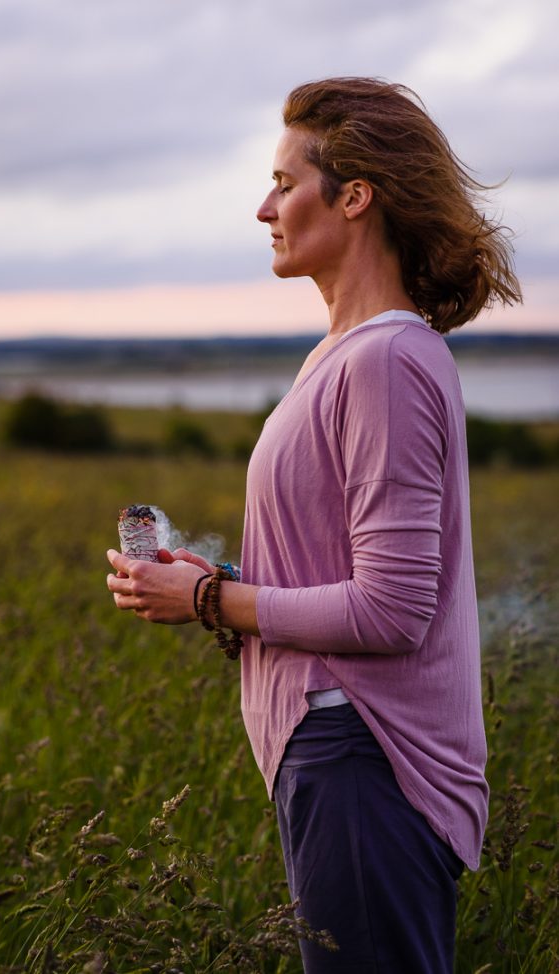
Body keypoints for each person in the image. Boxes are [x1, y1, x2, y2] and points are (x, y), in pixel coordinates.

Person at [107, 77, 522, 973]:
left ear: (356, 197)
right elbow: (332, 565)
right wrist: (202, 580)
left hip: (366, 756)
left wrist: (211, 595)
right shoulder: (342, 356)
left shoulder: (387, 362)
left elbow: (391, 610)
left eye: (285, 183)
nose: (265, 207)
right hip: (332, 749)